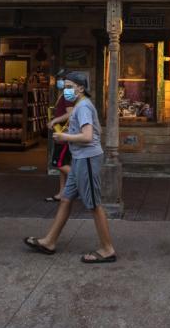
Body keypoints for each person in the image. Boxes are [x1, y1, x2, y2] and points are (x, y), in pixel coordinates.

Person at [23, 72, 117, 263]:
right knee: (66, 199)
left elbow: (87, 136)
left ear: (81, 88)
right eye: (64, 86)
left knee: (94, 204)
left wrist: (64, 137)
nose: (65, 90)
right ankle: (49, 241)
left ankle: (107, 249)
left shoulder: (82, 107)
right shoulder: (79, 106)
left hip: (88, 158)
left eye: (69, 86)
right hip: (79, 158)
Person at [45, 69, 72, 203]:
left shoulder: (67, 95)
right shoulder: (64, 94)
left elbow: (70, 113)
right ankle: (62, 193)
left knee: (60, 164)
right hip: (60, 132)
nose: (58, 82)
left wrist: (54, 120)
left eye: (60, 79)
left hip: (64, 134)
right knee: (63, 165)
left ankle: (82, 181)